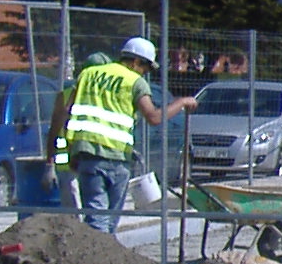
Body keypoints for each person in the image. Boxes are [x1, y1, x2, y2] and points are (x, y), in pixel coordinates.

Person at [50, 35, 196, 233]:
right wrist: (181, 102)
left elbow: (68, 111)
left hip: (87, 156)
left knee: (96, 215)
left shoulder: (88, 74)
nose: (144, 73)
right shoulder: (134, 82)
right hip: (116, 158)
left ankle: (100, 256)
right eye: (145, 68)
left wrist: (72, 150)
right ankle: (100, 258)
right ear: (136, 62)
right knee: (106, 221)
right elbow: (153, 117)